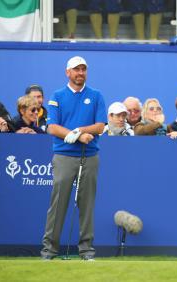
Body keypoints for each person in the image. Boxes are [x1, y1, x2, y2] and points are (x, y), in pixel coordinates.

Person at [40, 56, 106, 261]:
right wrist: (77, 136)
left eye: (83, 69)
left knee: (87, 205)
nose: (80, 73)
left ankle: (86, 251)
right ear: (67, 72)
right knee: (58, 204)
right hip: (64, 156)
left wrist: (78, 130)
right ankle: (49, 250)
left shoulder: (95, 95)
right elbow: (52, 126)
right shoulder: (57, 96)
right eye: (76, 69)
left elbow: (100, 126)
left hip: (89, 156)